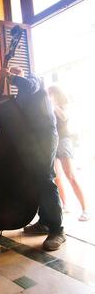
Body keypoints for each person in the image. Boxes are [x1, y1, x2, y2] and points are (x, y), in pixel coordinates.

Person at [0, 66, 66, 251]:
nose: (13, 75)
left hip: (45, 136)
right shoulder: (21, 97)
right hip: (32, 140)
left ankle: (58, 230)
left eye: (16, 72)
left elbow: (28, 85)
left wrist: (11, 76)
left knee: (45, 179)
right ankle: (44, 222)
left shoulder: (33, 79)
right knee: (37, 181)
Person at [48, 85, 90, 221]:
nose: (49, 95)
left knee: (70, 176)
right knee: (57, 177)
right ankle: (65, 205)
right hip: (53, 142)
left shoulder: (63, 104)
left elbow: (64, 117)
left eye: (50, 93)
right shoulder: (49, 106)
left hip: (64, 141)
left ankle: (85, 209)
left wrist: (53, 104)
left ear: (56, 93)